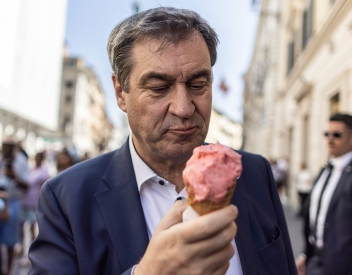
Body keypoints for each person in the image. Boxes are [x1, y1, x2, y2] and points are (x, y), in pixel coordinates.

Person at [29, 7, 297, 275]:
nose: (183, 108)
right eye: (158, 88)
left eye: (198, 85)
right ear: (121, 93)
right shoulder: (67, 197)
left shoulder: (254, 172)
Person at [296, 113, 352, 275]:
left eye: (337, 135)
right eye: (327, 134)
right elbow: (315, 218)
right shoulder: (324, 170)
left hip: (344, 268)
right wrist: (306, 253)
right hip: (314, 262)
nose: (330, 139)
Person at [0, 137, 30, 275]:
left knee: (10, 240)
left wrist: (14, 176)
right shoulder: (1, 159)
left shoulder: (21, 161)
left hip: (13, 201)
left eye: (9, 147)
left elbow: (27, 185)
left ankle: (8, 270)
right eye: (4, 146)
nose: (6, 149)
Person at [19, 152, 49, 257]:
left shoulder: (44, 171)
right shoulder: (30, 169)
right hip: (24, 200)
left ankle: (32, 251)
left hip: (33, 202)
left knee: (32, 227)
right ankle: (22, 248)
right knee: (21, 226)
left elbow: (44, 189)